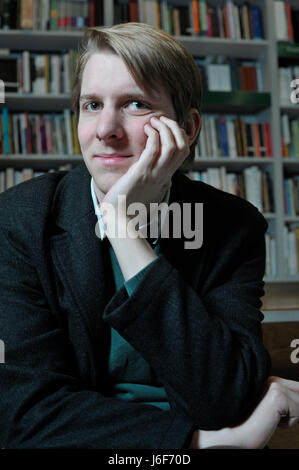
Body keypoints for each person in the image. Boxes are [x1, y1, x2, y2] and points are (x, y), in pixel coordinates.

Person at [0, 22, 297, 449]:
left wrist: (122, 227)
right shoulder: (18, 220)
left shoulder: (233, 223)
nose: (105, 129)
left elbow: (222, 396)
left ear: (189, 128)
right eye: (91, 105)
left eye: (135, 104)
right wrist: (200, 444)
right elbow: (25, 415)